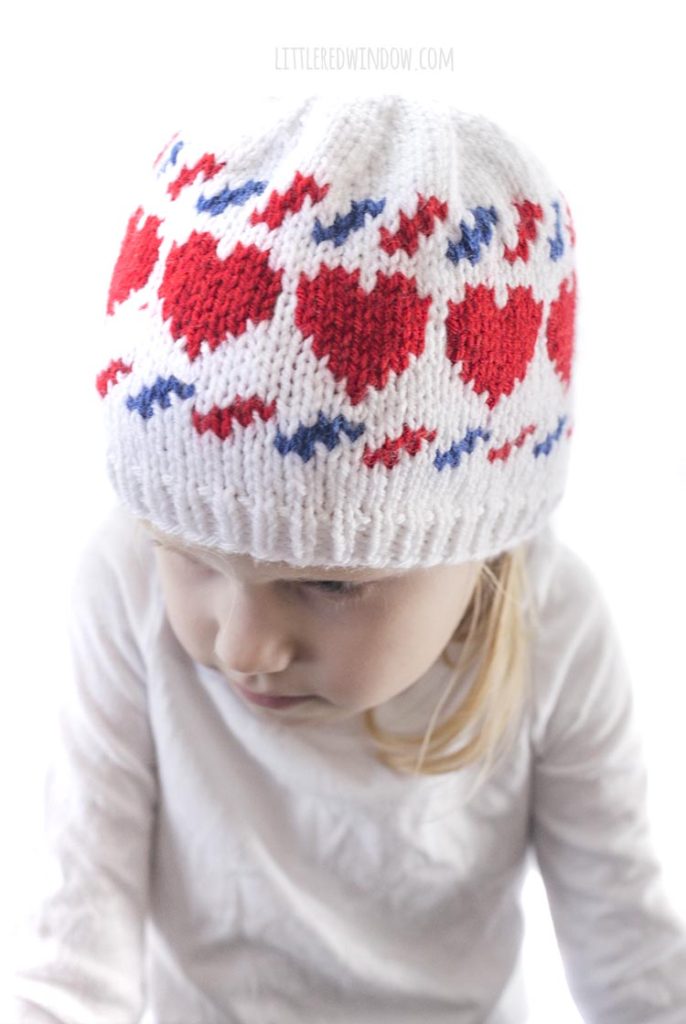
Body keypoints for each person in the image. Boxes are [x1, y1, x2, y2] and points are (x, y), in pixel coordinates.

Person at [5, 93, 686, 1023]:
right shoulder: (123, 588)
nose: (242, 647)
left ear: (480, 542)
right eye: (186, 553)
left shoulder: (552, 625)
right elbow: (70, 960)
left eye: (327, 581)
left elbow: (636, 967)